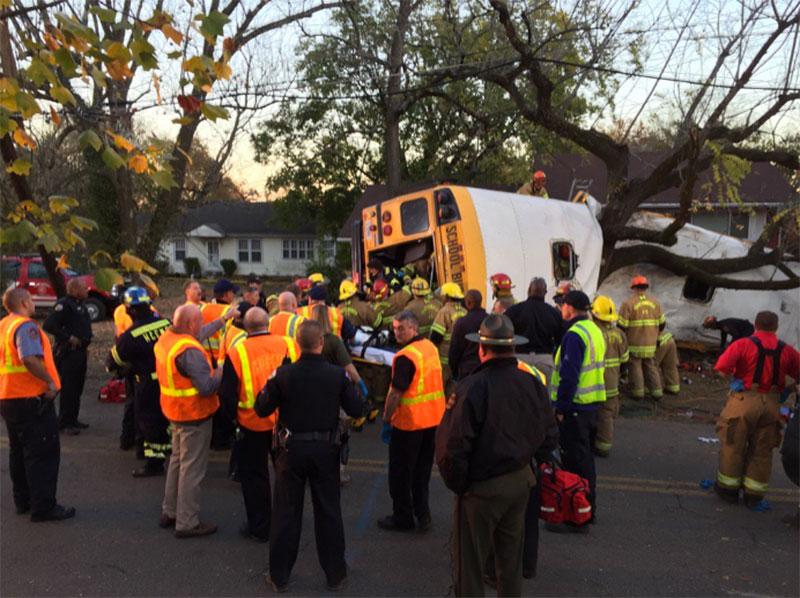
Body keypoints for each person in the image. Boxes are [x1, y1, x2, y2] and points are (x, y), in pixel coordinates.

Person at [436, 314, 558, 596]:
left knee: (470, 567)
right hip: (520, 483)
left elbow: (452, 447)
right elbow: (549, 435)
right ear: (512, 347)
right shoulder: (533, 384)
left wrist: (461, 485)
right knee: (510, 562)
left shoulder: (472, 387)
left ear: (481, 349)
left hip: (482, 489)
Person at [255, 320, 366, 592]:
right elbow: (356, 408)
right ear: (321, 343)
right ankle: (335, 574)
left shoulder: (283, 374)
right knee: (328, 512)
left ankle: (279, 576)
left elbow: (261, 408)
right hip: (326, 451)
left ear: (297, 343)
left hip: (291, 451)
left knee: (285, 513)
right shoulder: (336, 375)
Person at [218, 308, 298, 543]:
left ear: (245, 326)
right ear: (268, 324)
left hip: (251, 424)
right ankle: (287, 524)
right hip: (285, 423)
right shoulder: (289, 344)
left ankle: (261, 527)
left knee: (255, 478)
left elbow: (227, 394)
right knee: (286, 476)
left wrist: (232, 422)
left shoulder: (237, 351)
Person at [0, 288, 75, 522]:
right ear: (24, 302)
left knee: (18, 451)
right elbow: (29, 358)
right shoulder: (25, 326)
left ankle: (23, 501)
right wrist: (51, 381)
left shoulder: (4, 325)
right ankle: (43, 507)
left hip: (8, 397)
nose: (33, 303)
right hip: (30, 398)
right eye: (31, 300)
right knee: (42, 452)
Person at [713, 311, 799, 508]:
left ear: (755, 325)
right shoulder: (787, 350)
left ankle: (728, 491)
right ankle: (754, 495)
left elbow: (721, 368)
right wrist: (789, 388)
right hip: (772, 404)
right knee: (763, 449)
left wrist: (736, 380)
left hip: (744, 400)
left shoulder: (743, 344)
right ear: (776, 327)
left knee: (733, 444)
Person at [156, 304, 225, 538]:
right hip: (194, 415)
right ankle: (187, 522)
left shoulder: (168, 338)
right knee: (191, 470)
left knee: (176, 461)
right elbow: (206, 387)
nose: (201, 325)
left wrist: (222, 320)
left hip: (174, 412)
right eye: (199, 322)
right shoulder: (190, 352)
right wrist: (221, 370)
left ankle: (170, 511)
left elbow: (197, 335)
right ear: (190, 324)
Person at [378, 311, 445, 532]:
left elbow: (396, 393)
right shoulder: (430, 348)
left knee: (400, 474)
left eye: (402, 328)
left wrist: (387, 418)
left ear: (414, 328)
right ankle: (423, 514)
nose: (397, 332)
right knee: (422, 472)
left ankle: (403, 518)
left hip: (409, 424)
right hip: (432, 421)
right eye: (395, 328)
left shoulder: (406, 356)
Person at [550, 290, 606, 531]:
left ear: (570, 307)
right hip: (591, 406)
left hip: (575, 408)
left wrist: (560, 408)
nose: (561, 309)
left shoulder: (574, 335)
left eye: (562, 304)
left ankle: (577, 517)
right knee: (586, 462)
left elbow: (569, 376)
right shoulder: (594, 330)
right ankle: (587, 509)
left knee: (574, 464)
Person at [108, 287, 173, 477]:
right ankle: (166, 450)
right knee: (165, 419)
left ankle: (154, 464)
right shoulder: (167, 324)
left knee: (149, 423)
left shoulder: (130, 337)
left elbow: (112, 363)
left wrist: (126, 367)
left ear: (132, 310)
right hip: (168, 381)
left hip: (147, 385)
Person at [43, 277, 92, 435]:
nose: (87, 290)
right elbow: (49, 325)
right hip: (68, 352)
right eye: (84, 288)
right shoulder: (64, 305)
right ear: (75, 290)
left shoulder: (80, 305)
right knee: (69, 388)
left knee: (78, 387)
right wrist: (67, 337)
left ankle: (73, 418)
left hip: (80, 352)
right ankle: (64, 423)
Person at [505, 277, 563, 382]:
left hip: (520, 358)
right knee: (544, 395)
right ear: (545, 292)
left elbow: (504, 333)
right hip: (544, 360)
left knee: (521, 394)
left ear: (529, 290)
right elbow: (560, 340)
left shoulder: (514, 311)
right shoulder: (554, 313)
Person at [591, 295, 628, 458]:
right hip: (612, 383)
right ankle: (602, 444)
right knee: (607, 413)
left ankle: (600, 446)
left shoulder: (593, 333)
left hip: (593, 383)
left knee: (597, 414)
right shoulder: (620, 334)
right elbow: (625, 360)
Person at [618, 275, 665, 400]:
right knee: (651, 366)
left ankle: (638, 393)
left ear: (633, 288)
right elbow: (662, 324)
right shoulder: (655, 302)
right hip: (651, 343)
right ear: (646, 287)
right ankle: (657, 392)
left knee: (635, 366)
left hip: (635, 343)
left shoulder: (628, 304)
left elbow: (621, 326)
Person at [430, 282, 467, 396]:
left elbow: (436, 335)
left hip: (444, 358)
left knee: (440, 386)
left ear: (446, 296)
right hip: (459, 357)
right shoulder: (464, 311)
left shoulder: (444, 311)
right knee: (453, 387)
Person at [448, 289, 487, 381]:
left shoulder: (462, 322)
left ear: (468, 303)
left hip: (467, 371)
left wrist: (455, 372)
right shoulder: (490, 320)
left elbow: (454, 351)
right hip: (486, 369)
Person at [654, 330, 680, 395]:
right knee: (670, 366)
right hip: (668, 338)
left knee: (650, 366)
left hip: (658, 342)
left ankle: (650, 388)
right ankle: (673, 387)